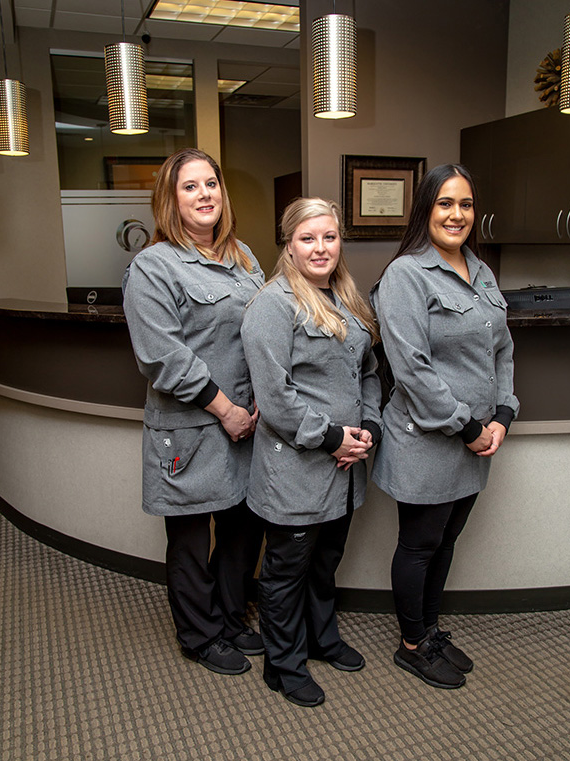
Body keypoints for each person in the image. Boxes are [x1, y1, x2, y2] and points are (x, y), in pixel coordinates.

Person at [370, 164, 519, 690]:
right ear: (425, 210)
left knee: (447, 539)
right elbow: (412, 369)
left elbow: (502, 349)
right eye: (445, 204)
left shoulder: (481, 271)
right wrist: (468, 427)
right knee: (419, 543)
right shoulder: (406, 275)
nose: (458, 215)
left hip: (477, 439)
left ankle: (430, 630)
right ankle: (412, 644)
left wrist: (502, 414)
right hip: (428, 439)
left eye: (467, 205)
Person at [123, 148, 265, 676]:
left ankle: (229, 619)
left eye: (211, 184)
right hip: (192, 427)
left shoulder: (244, 257)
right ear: (171, 199)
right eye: (190, 187)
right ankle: (199, 636)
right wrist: (225, 408)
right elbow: (163, 357)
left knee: (240, 529)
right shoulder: (153, 266)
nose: (205, 195)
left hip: (248, 423)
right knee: (189, 537)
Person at [241, 198, 382, 708]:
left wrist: (367, 427)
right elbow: (275, 397)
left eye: (329, 237)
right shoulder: (273, 306)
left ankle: (322, 640)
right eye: (308, 238)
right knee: (285, 572)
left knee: (326, 563)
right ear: (289, 245)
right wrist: (332, 438)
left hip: (345, 471)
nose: (320, 247)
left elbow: (367, 373)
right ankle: (283, 665)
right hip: (297, 469)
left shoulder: (347, 298)